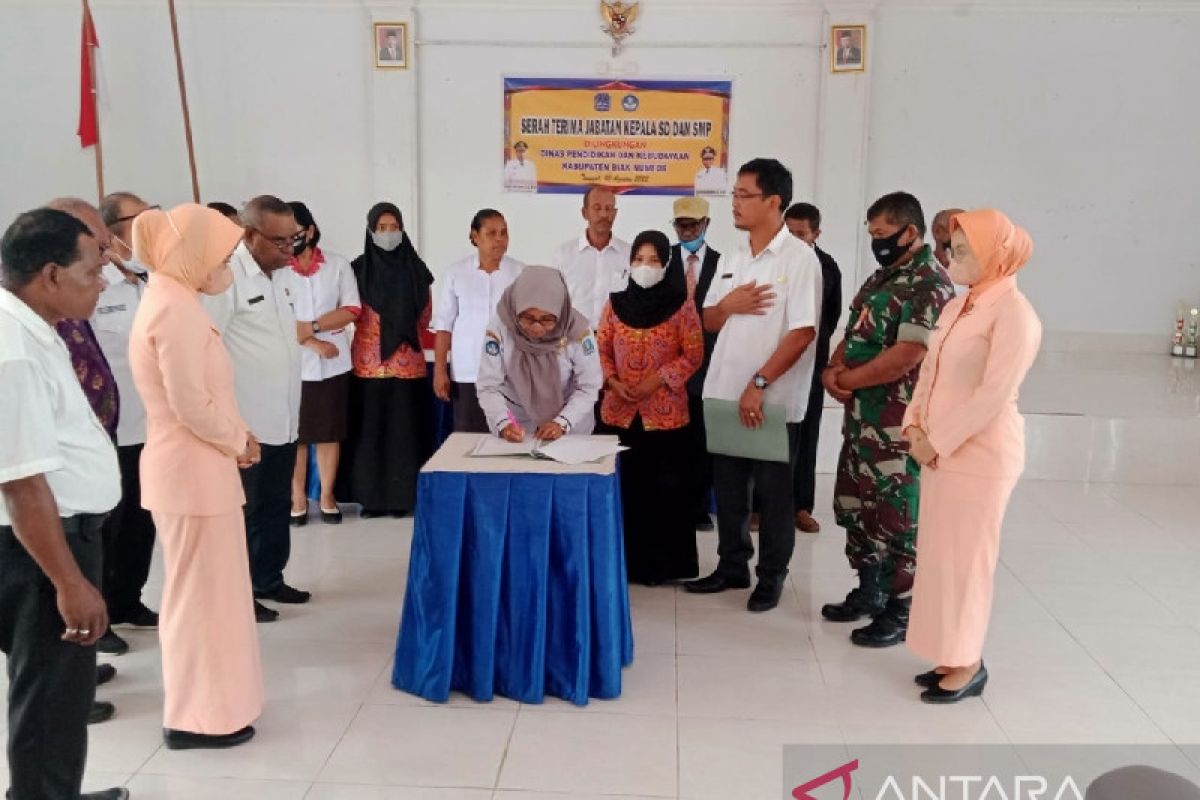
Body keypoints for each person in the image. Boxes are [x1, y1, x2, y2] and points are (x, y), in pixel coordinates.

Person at [0, 208, 128, 800]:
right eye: (93, 270)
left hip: (59, 538)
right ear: (51, 274)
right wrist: (69, 582)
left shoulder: (34, 326)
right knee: (49, 699)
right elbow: (22, 484)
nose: (103, 282)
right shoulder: (13, 351)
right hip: (42, 550)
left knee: (63, 696)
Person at [130, 204, 263, 749]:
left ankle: (218, 707)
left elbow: (208, 396)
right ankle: (192, 717)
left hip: (201, 470)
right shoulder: (172, 310)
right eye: (222, 254)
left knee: (215, 598)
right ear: (192, 254)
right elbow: (190, 403)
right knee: (196, 602)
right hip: (189, 472)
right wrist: (238, 441)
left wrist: (237, 435)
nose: (226, 264)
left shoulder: (177, 300)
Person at [903, 209, 1041, 703]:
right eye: (952, 250)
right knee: (940, 558)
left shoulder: (1014, 314)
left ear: (994, 256)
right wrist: (915, 425)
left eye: (962, 252)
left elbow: (992, 396)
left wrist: (935, 442)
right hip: (939, 450)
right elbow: (929, 372)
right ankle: (947, 651)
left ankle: (969, 663)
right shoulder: (957, 307)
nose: (950, 259)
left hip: (980, 457)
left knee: (967, 562)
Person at [683, 158, 821, 613]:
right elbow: (708, 318)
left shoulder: (800, 260)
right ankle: (731, 565)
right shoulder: (734, 257)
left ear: (774, 202)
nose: (735, 204)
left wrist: (759, 383)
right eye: (735, 195)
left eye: (744, 195)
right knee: (729, 489)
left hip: (771, 400)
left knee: (775, 495)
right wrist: (731, 304)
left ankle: (772, 575)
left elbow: (802, 332)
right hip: (724, 391)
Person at [821, 191, 955, 647]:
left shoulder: (928, 284)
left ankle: (901, 611)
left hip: (898, 427)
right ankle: (869, 592)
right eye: (872, 235)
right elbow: (853, 331)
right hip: (862, 423)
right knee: (857, 508)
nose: (876, 243)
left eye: (882, 235)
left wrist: (851, 379)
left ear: (909, 232)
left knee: (896, 518)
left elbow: (906, 355)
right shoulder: (882, 278)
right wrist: (832, 371)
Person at [203, 195, 307, 619]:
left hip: (283, 414)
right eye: (280, 241)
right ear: (248, 235)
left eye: (294, 239)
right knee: (244, 511)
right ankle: (238, 592)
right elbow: (207, 348)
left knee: (276, 502)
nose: (289, 249)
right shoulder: (225, 279)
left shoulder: (283, 276)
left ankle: (269, 577)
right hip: (246, 421)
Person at [598, 229, 703, 583]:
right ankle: (619, 564)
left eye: (654, 260)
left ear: (666, 264)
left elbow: (693, 354)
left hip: (665, 417)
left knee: (663, 491)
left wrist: (656, 381)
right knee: (624, 490)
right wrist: (612, 381)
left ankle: (662, 568)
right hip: (619, 412)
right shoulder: (614, 303)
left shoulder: (682, 305)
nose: (645, 266)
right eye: (639, 259)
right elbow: (599, 349)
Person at [339, 202, 435, 517]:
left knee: (405, 434)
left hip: (409, 368)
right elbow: (350, 311)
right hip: (369, 366)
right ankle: (374, 500)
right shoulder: (357, 269)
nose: (389, 233)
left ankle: (403, 499)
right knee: (371, 434)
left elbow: (425, 316)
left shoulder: (417, 270)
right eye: (382, 228)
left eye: (394, 227)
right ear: (370, 231)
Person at [93, 192, 159, 640]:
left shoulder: (153, 280)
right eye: (141, 218)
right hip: (108, 429)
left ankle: (129, 600)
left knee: (141, 519)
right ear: (112, 231)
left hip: (152, 423)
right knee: (105, 527)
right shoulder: (94, 287)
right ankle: (101, 611)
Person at [284, 201, 361, 527]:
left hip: (334, 364)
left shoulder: (338, 265)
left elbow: (352, 309)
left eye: (295, 233)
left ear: (310, 231)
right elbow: (276, 319)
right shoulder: (277, 269)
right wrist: (312, 340)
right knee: (297, 436)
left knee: (329, 433)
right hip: (292, 363)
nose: (290, 241)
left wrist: (312, 327)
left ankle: (327, 495)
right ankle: (297, 498)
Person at [476, 265, 603, 439]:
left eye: (547, 319)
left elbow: (589, 385)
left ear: (560, 312)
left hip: (570, 424)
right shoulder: (501, 326)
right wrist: (504, 423)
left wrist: (562, 422)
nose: (536, 327)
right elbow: (488, 386)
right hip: (515, 424)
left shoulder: (578, 331)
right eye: (527, 318)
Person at [432, 209, 524, 433]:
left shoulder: (520, 273)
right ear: (475, 236)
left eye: (504, 233)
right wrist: (440, 371)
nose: (500, 239)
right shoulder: (456, 273)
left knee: (510, 436)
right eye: (492, 233)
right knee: (468, 438)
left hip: (509, 373)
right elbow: (444, 325)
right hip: (467, 370)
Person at [783, 202, 843, 533]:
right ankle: (762, 507)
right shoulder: (774, 263)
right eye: (788, 233)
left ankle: (801, 506)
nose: (793, 240)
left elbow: (830, 318)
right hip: (776, 363)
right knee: (771, 436)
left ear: (816, 234)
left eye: (800, 234)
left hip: (812, 364)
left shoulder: (828, 268)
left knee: (806, 435)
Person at [670, 196, 722, 531]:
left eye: (694, 224)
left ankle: (700, 506)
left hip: (709, 361)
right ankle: (673, 503)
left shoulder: (723, 263)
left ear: (707, 224)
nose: (688, 230)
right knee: (674, 439)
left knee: (703, 438)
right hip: (669, 363)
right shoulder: (662, 260)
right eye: (681, 225)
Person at [551, 185, 630, 327]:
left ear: (615, 213)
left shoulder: (629, 255)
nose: (604, 215)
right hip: (574, 341)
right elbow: (554, 303)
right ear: (584, 212)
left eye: (609, 208)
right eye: (597, 208)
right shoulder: (563, 255)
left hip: (615, 341)